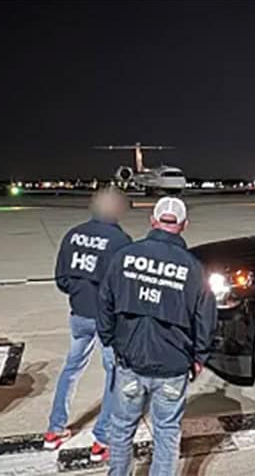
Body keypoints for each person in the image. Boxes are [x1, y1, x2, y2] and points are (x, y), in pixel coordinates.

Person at [98, 196, 217, 476]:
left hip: (131, 361)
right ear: (184, 225)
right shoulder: (194, 268)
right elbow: (206, 319)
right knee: (166, 433)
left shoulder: (125, 256)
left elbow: (104, 303)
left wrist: (111, 341)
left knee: (122, 429)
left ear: (153, 220)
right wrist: (199, 357)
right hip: (173, 366)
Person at [44, 187, 132, 461]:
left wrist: (80, 293)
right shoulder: (120, 241)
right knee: (113, 375)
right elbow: (123, 286)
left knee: (71, 368)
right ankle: (102, 440)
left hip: (79, 315)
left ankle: (54, 429)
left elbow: (61, 278)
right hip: (106, 320)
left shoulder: (73, 234)